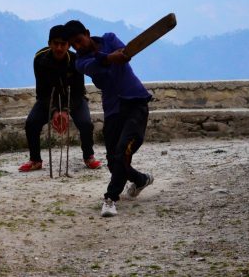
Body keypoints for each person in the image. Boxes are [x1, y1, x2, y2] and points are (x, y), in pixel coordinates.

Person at [64, 20, 154, 217]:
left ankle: (110, 198)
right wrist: (110, 57)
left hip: (136, 103)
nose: (77, 47)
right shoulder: (80, 63)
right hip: (113, 110)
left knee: (122, 153)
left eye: (79, 41)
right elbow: (99, 64)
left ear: (87, 33)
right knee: (114, 162)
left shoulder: (109, 38)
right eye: (73, 45)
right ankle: (140, 179)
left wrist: (118, 55)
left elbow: (125, 54)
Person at [19, 25, 102, 172]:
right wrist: (54, 111)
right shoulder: (40, 59)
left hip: (74, 99)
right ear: (49, 43)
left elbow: (78, 91)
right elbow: (42, 92)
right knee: (32, 123)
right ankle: (35, 160)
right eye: (55, 44)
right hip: (48, 100)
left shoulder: (75, 60)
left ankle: (89, 157)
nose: (59, 48)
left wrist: (65, 110)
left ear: (68, 45)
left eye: (63, 44)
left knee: (85, 124)